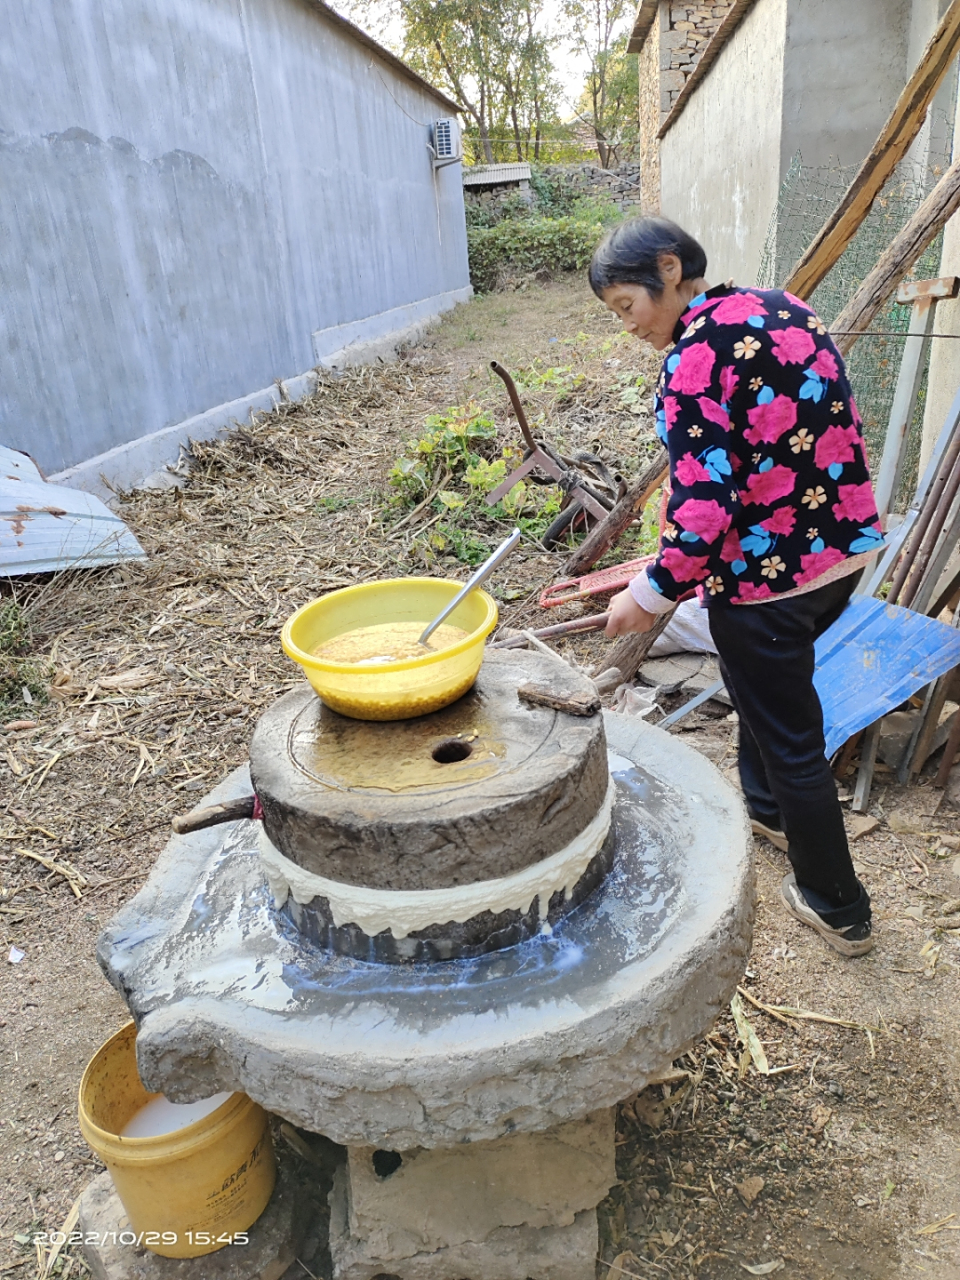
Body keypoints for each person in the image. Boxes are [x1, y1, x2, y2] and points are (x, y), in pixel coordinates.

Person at [590, 216, 883, 958]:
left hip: (765, 584)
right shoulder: (782, 307)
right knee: (763, 692)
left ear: (667, 268)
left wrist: (648, 594)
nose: (629, 328)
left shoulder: (691, 358)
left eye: (627, 306)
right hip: (838, 555)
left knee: (791, 739)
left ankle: (837, 905)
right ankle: (768, 811)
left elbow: (703, 506)